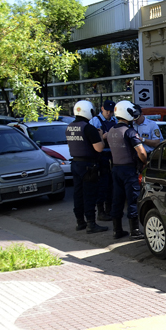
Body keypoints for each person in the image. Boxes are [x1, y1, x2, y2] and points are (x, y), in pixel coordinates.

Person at [65, 100, 109, 234]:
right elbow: (99, 148)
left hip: (75, 164)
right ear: (88, 111)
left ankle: (80, 222)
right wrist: (101, 136)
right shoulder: (88, 128)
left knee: (78, 194)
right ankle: (91, 224)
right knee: (89, 194)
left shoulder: (69, 126)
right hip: (88, 165)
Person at [107, 101, 147, 239]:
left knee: (117, 200)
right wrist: (145, 162)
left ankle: (117, 230)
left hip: (116, 169)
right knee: (133, 200)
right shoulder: (129, 131)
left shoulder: (112, 130)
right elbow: (141, 152)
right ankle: (134, 230)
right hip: (129, 170)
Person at [89, 99, 116, 222]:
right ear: (102, 109)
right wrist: (103, 136)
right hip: (101, 157)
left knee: (111, 185)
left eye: (111, 111)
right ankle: (101, 211)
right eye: (107, 111)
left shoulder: (115, 120)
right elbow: (91, 139)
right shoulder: (95, 121)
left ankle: (109, 210)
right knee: (102, 185)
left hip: (113, 155)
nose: (109, 114)